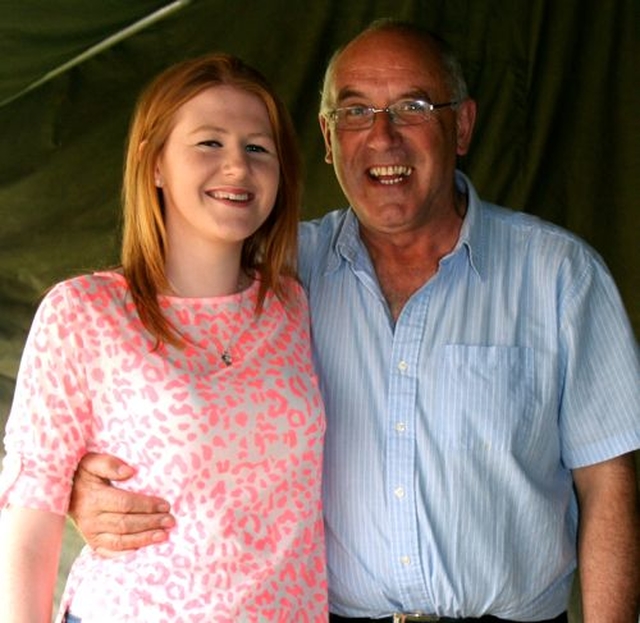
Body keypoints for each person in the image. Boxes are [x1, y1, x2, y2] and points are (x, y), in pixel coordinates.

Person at [68, 19, 640, 623]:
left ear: (463, 125)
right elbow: (149, 393)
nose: (383, 137)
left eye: (413, 107)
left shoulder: (559, 276)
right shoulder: (275, 277)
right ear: (327, 135)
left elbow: (609, 484)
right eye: (356, 112)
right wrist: (82, 486)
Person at [0, 52, 328, 622]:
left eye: (258, 147)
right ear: (154, 164)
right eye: (209, 143)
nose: (237, 167)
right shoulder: (85, 312)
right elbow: (28, 522)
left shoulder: (292, 307)